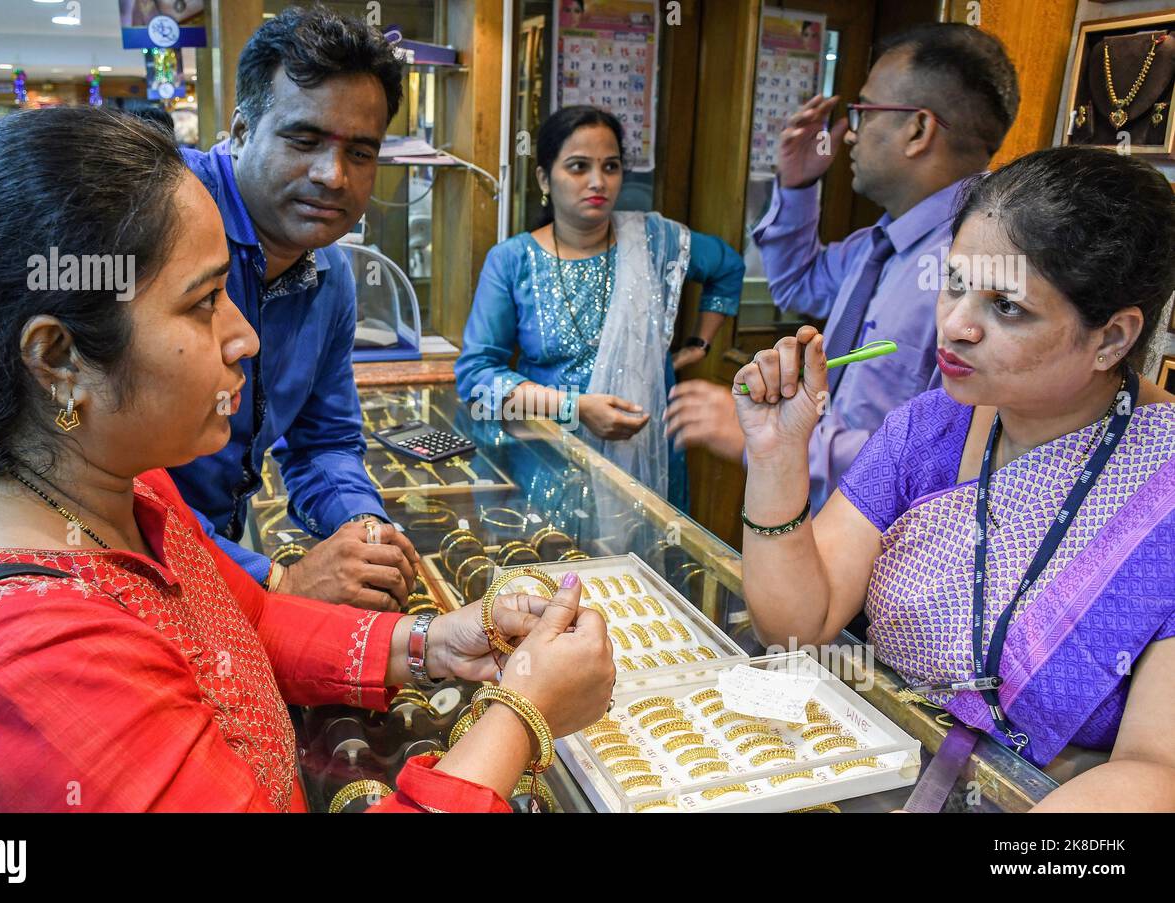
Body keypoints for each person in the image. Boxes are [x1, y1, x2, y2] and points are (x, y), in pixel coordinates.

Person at [0, 106, 614, 812]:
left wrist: (428, 645)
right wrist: (521, 715)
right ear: (59, 357)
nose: (245, 338)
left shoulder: (118, 486)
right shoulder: (22, 665)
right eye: (203, 304)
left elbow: (244, 619)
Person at [733, 146, 1175, 810]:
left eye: (1006, 307)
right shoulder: (928, 428)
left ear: (1111, 338)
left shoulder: (1160, 486)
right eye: (955, 283)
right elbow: (800, 621)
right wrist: (775, 457)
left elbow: (1154, 767)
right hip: (868, 770)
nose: (956, 325)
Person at [666, 23, 1020, 514]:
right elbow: (797, 284)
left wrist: (780, 444)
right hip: (825, 520)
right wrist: (796, 186)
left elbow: (945, 460)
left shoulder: (982, 266)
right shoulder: (880, 243)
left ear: (917, 129)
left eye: (865, 111)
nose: (850, 132)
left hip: (888, 546)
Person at [170, 5, 420, 611]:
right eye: (304, 140)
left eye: (360, 153)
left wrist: (364, 530)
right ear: (238, 131)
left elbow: (322, 442)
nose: (333, 176)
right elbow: (106, 484)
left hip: (214, 563)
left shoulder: (330, 275)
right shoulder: (164, 224)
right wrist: (274, 581)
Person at [455, 105, 745, 507]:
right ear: (544, 177)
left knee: (646, 566)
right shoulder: (512, 261)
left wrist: (699, 343)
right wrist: (576, 408)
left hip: (648, 460)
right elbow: (476, 378)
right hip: (551, 463)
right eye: (578, 167)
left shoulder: (652, 242)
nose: (598, 181)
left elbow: (728, 266)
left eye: (610, 166)